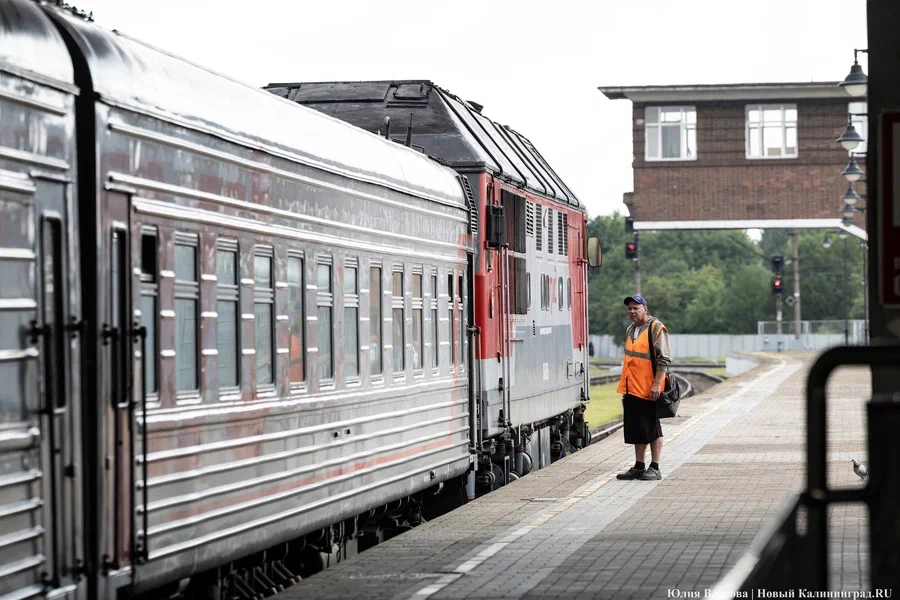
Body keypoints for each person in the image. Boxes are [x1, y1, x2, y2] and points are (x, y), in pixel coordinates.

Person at [614, 294, 671, 481]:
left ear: (645, 309)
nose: (631, 311)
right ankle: (639, 466)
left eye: (636, 308)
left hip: (649, 389)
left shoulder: (656, 328)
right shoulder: (631, 329)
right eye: (629, 308)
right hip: (631, 388)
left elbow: (664, 358)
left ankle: (655, 467)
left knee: (653, 428)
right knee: (637, 428)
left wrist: (656, 384)